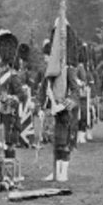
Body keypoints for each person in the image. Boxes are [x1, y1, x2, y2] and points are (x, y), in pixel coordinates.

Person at [40, 26, 79, 183]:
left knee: (64, 143)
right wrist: (39, 105)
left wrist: (68, 102)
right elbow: (43, 91)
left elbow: (75, 91)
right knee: (55, 142)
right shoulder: (49, 73)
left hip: (65, 112)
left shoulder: (68, 70)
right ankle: (55, 171)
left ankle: (64, 172)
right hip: (53, 111)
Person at [0, 30, 27, 154]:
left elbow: (22, 95)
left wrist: (9, 98)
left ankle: (8, 173)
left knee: (7, 147)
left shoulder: (12, 74)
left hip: (8, 117)